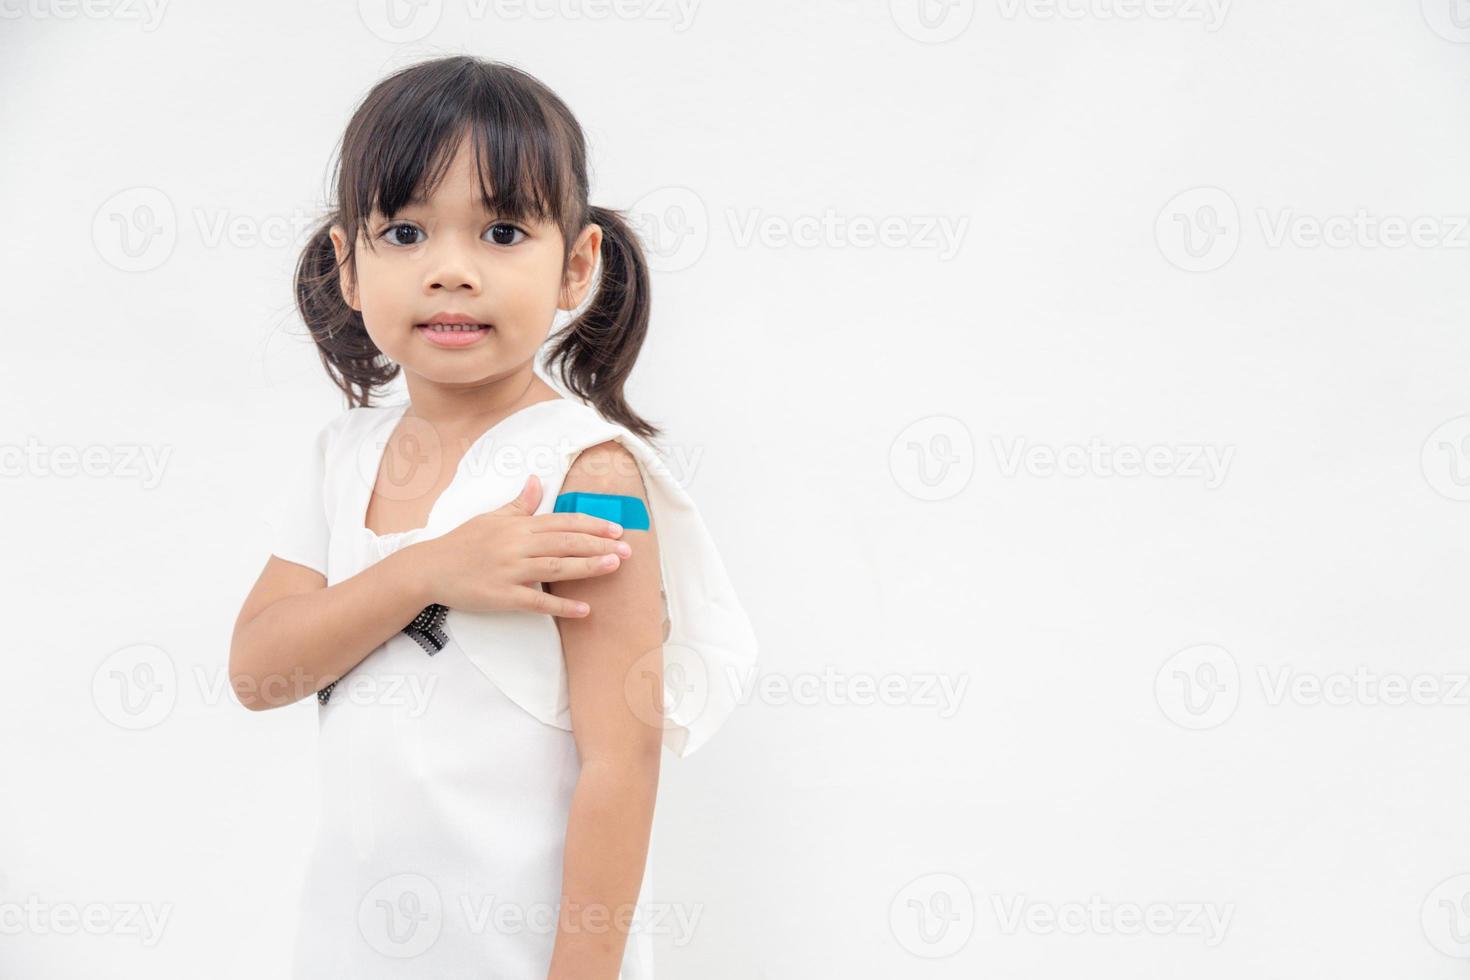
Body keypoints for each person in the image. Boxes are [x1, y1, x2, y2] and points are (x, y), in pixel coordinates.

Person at [227, 54, 757, 979]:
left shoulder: (585, 473)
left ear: (576, 266)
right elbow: (260, 673)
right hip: (350, 947)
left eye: (503, 231)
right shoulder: (338, 459)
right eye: (404, 233)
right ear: (348, 267)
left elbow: (620, 766)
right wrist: (429, 570)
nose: (451, 272)